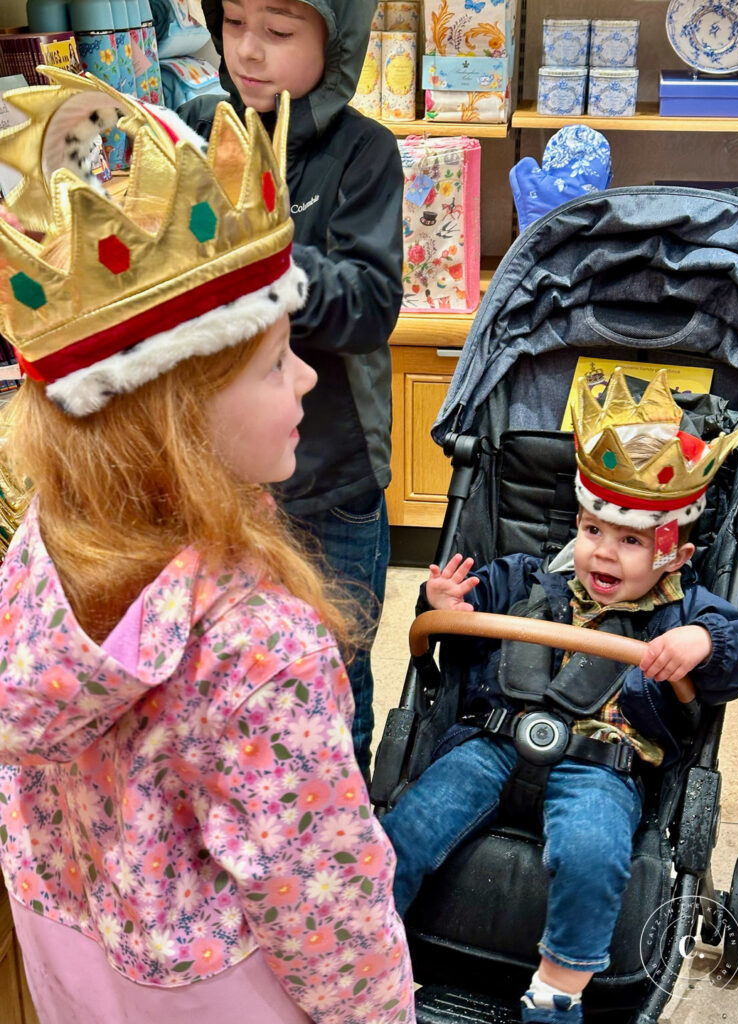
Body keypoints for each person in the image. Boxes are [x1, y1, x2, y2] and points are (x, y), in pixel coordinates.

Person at [0, 71, 414, 1024]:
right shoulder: (263, 642)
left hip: (76, 968)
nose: (310, 375)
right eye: (274, 361)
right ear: (177, 424)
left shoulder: (42, 539)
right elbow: (328, 909)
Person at [381, 369, 738, 1024]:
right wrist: (442, 602)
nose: (603, 552)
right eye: (591, 530)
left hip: (600, 767)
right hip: (494, 738)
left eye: (631, 540)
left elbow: (731, 659)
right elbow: (461, 633)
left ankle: (556, 994)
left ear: (675, 552)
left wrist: (701, 641)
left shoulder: (682, 611)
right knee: (406, 828)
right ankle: (368, 950)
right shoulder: (530, 576)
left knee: (593, 855)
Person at [179, 0, 405, 781]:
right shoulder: (198, 128)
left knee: (335, 666)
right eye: (234, 21)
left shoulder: (365, 153)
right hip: (223, 474)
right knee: (231, 666)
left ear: (335, 42)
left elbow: (373, 306)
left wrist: (268, 261)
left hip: (333, 475)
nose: (249, 50)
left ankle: (353, 833)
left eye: (278, 32)